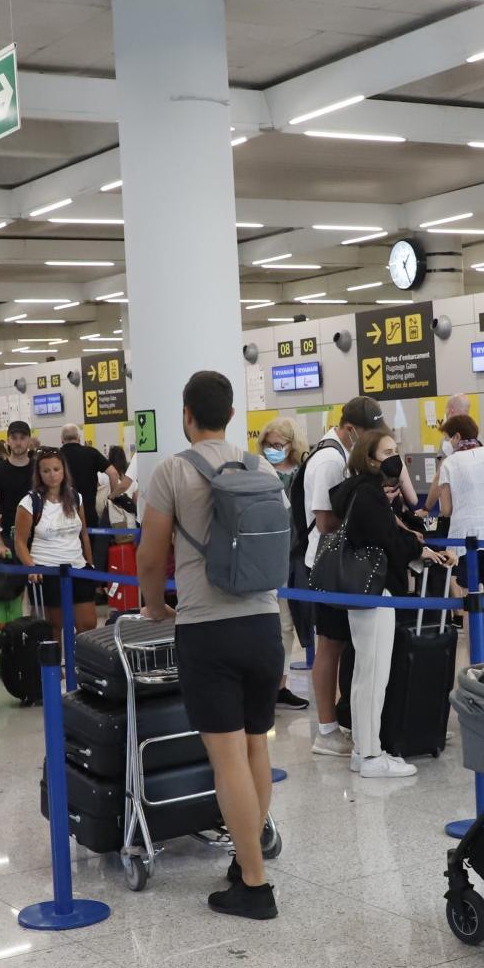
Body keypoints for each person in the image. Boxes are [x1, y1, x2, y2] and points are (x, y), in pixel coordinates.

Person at [137, 370, 285, 919]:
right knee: (256, 747)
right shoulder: (261, 465)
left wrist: (154, 605)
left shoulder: (173, 470)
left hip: (207, 628)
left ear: (186, 413)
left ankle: (254, 883)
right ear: (229, 414)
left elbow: (151, 556)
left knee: (226, 759)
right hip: (264, 624)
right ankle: (249, 859)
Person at [331, 427, 454, 779]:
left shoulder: (359, 493)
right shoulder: (369, 496)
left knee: (366, 674)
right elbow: (389, 542)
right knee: (373, 675)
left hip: (367, 595)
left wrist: (416, 545)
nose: (394, 458)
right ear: (370, 459)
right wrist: (419, 549)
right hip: (376, 593)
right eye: (387, 452)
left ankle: (363, 749)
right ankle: (371, 755)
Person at [304, 396, 383, 756]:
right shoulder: (329, 460)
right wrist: (364, 509)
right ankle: (326, 730)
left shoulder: (340, 456)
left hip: (342, 564)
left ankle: (338, 722)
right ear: (351, 429)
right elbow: (324, 521)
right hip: (328, 567)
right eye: (368, 434)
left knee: (340, 645)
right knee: (329, 646)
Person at [256, 416, 312, 711]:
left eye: (279, 444)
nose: (273, 449)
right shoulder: (258, 470)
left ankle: (280, 685)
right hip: (264, 556)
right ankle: (268, 686)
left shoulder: (303, 473)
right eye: (269, 444)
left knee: (288, 625)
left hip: (295, 555)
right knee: (272, 624)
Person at [14, 446, 101, 636]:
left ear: (63, 470)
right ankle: (54, 665)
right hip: (47, 569)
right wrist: (31, 566)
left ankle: (82, 664)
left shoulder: (75, 498)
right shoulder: (30, 502)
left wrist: (90, 563)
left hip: (77, 567)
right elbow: (19, 541)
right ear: (39, 474)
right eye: (46, 471)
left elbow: (83, 533)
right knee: (54, 626)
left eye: (56, 469)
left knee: (88, 623)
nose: (52, 475)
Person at [432, 412, 484, 595]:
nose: (448, 443)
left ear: (457, 436)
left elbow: (446, 510)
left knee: (469, 595)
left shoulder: (449, 464)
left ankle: (469, 626)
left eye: (448, 438)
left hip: (464, 538)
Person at [0, 421, 37, 558]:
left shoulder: (39, 470)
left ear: (29, 440)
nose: (18, 442)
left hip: (40, 538)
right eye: (14, 438)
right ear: (7, 440)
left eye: (22, 438)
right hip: (10, 538)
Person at [56, 424, 113, 531]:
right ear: (79, 437)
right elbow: (113, 474)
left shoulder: (56, 456)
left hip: (62, 512)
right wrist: (113, 498)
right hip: (89, 512)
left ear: (62, 439)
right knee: (90, 544)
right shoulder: (91, 453)